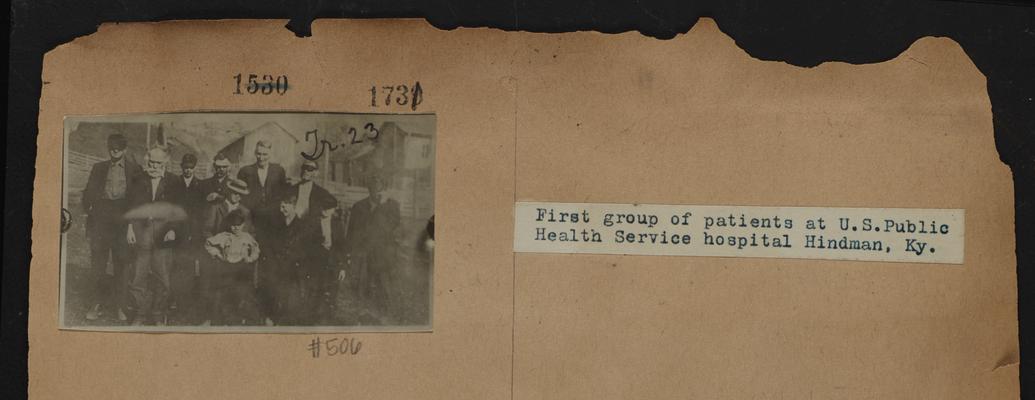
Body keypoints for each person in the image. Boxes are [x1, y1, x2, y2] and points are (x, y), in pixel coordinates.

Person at [81, 133, 141, 322]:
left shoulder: (134, 170)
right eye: (111, 148)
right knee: (98, 264)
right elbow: (88, 192)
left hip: (122, 221)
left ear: (125, 149)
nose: (114, 151)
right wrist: (89, 208)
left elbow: (137, 200)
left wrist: (131, 226)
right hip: (101, 220)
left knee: (121, 265)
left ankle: (120, 306)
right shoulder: (98, 168)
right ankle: (95, 304)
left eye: (118, 148)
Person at [125, 147, 178, 326]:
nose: (155, 166)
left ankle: (158, 313)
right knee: (138, 274)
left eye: (159, 163)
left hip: (164, 233)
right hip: (141, 231)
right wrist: (130, 229)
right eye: (152, 162)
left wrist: (172, 229)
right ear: (147, 162)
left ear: (165, 163)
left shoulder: (173, 181)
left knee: (162, 276)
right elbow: (131, 206)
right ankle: (140, 313)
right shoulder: (139, 179)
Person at [345, 174, 401, 323]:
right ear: (368, 189)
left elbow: (389, 228)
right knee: (362, 283)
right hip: (363, 251)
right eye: (373, 188)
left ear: (384, 189)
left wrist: (381, 206)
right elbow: (351, 230)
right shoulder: (359, 206)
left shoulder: (392, 206)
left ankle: (385, 313)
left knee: (383, 283)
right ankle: (363, 311)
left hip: (383, 252)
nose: (376, 192)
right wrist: (350, 251)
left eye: (379, 188)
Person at [198, 178, 253, 325]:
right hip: (217, 257)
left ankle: (233, 319)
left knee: (235, 289)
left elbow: (249, 234)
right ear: (229, 191)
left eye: (241, 194)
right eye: (235, 193)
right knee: (215, 289)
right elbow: (206, 230)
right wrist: (216, 250)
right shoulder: (215, 208)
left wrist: (243, 252)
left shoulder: (245, 211)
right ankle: (211, 319)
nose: (238, 197)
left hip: (236, 259)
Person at [257, 195, 315, 325]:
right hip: (276, 266)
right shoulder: (277, 224)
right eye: (280, 206)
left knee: (289, 297)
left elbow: (304, 250)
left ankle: (283, 320)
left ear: (293, 206)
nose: (281, 209)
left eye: (284, 206)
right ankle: (271, 317)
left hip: (293, 268)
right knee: (273, 292)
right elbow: (270, 245)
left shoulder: (302, 226)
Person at [203, 210, 260, 326]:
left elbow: (256, 249)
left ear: (243, 225)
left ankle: (242, 321)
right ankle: (222, 321)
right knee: (223, 295)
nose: (235, 228)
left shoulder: (247, 237)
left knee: (242, 295)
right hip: (227, 269)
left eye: (238, 225)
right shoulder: (224, 236)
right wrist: (218, 254)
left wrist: (250, 258)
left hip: (242, 270)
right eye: (233, 226)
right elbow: (208, 243)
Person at [167, 153, 205, 322]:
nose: (188, 171)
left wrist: (195, 232)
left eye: (191, 168)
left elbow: (201, 212)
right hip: (177, 230)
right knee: (175, 264)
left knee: (189, 264)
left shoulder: (200, 186)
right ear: (181, 167)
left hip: (193, 232)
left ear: (194, 168)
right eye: (186, 168)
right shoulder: (174, 184)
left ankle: (187, 300)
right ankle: (174, 297)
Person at [237, 140, 287, 225]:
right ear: (255, 153)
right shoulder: (245, 171)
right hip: (252, 216)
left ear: (270, 154)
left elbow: (283, 192)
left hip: (274, 216)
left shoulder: (279, 170)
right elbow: (239, 194)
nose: (261, 157)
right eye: (258, 154)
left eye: (265, 154)